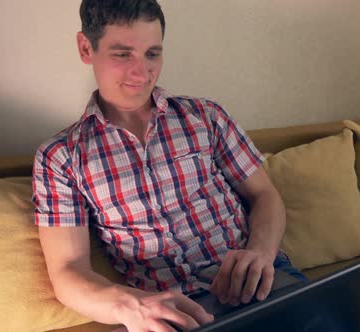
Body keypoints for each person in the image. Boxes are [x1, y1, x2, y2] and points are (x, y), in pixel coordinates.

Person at [32, 1, 305, 331]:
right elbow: (68, 270)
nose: (141, 73)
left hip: (255, 285)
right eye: (122, 54)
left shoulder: (206, 117)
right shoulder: (61, 157)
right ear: (86, 47)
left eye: (152, 54)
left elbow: (265, 195)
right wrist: (132, 308)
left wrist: (261, 252)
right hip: (169, 313)